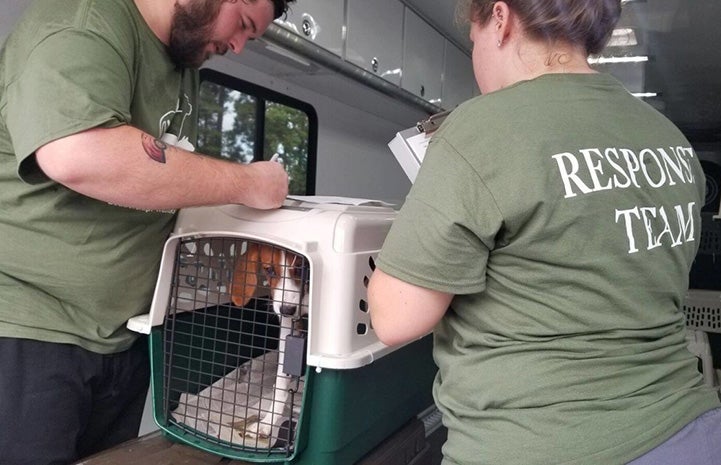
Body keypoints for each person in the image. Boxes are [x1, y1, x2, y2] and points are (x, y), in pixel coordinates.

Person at [368, 0, 721, 464]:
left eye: (473, 43)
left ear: (499, 18)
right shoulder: (671, 139)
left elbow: (396, 319)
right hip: (691, 430)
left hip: (539, 443)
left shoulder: (480, 128)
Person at [0, 0, 296, 463]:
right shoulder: (86, 19)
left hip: (122, 337)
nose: (237, 46)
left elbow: (158, 176)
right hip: (32, 331)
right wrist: (247, 182)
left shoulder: (184, 59)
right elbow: (76, 153)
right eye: (242, 25)